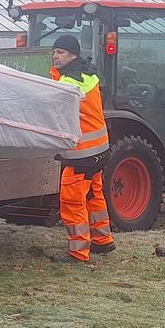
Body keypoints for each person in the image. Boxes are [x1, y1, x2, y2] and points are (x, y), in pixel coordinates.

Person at [51, 35, 115, 262]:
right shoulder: (88, 74)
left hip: (81, 153)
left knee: (72, 200)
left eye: (60, 52)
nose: (55, 56)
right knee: (93, 195)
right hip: (98, 149)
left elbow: (50, 103)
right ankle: (102, 240)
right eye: (54, 52)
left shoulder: (70, 83)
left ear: (73, 55)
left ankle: (78, 252)